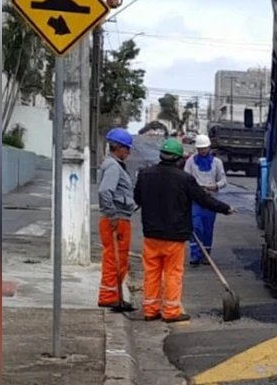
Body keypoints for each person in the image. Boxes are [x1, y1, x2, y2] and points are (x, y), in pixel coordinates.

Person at [134, 138, 235, 323]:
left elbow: (138, 198)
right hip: (174, 236)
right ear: (179, 159)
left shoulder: (145, 174)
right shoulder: (185, 179)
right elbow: (203, 199)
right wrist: (225, 208)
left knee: (151, 273)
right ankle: (171, 312)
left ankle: (150, 310)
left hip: (151, 235)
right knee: (173, 273)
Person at [97, 128, 137, 312]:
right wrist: (112, 215)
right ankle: (109, 297)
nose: (128, 152)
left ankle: (114, 295)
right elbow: (105, 191)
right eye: (127, 149)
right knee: (115, 259)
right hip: (117, 219)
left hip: (120, 217)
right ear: (119, 148)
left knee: (118, 258)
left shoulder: (115, 164)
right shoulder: (113, 166)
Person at [184, 133, 227, 266]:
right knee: (196, 226)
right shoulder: (191, 161)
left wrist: (216, 186)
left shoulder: (217, 163)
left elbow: (223, 180)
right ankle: (195, 255)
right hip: (196, 200)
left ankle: (205, 255)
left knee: (208, 228)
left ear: (209, 148)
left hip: (210, 200)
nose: (203, 151)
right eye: (200, 149)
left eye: (205, 148)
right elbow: (185, 178)